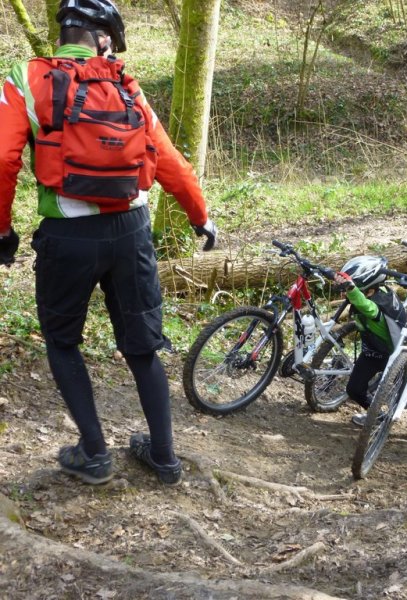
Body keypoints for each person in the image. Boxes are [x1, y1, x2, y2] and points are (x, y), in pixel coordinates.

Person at [0, 0, 218, 486]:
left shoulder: (24, 77)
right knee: (142, 346)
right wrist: (200, 216)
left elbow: (2, 160)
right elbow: (167, 158)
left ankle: (94, 453)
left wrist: (2, 231)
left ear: (65, 32)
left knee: (62, 342)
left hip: (68, 235)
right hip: (133, 232)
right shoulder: (125, 85)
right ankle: (164, 457)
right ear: (102, 37)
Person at [334, 256, 407, 445]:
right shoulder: (373, 292)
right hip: (372, 352)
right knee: (354, 389)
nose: (345, 296)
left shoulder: (377, 305)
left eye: (356, 291)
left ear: (370, 291)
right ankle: (376, 416)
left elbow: (366, 306)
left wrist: (351, 288)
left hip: (394, 357)